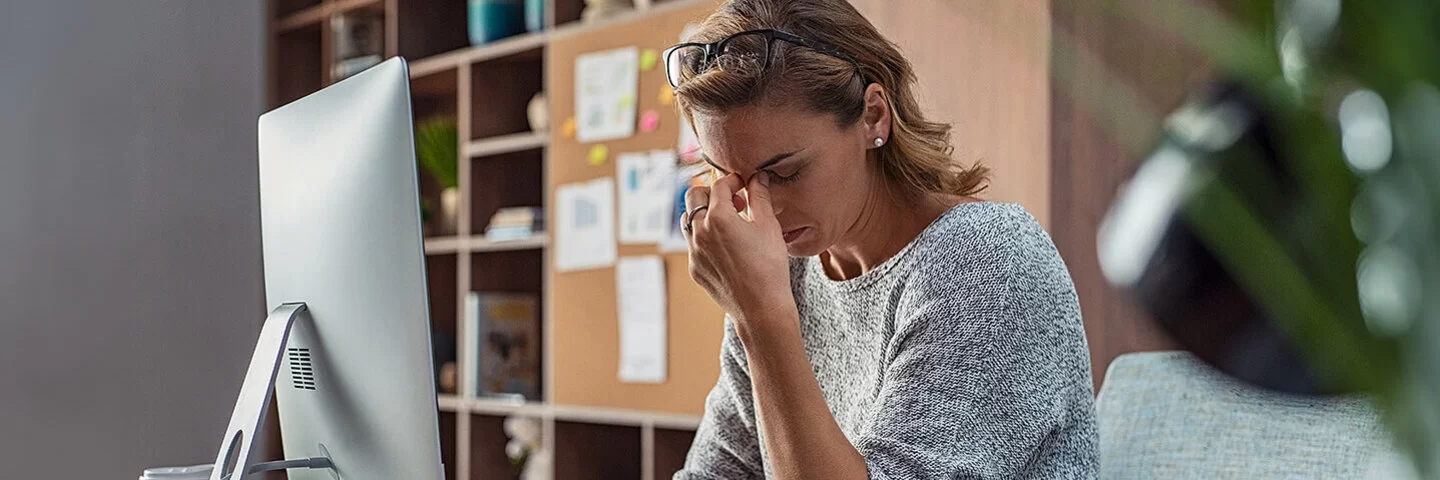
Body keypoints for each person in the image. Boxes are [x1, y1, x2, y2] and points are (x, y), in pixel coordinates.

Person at [666, 0, 1097, 478]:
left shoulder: (987, 261)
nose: (757, 211)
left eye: (784, 173)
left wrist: (762, 318)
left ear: (873, 116)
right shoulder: (783, 275)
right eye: (729, 177)